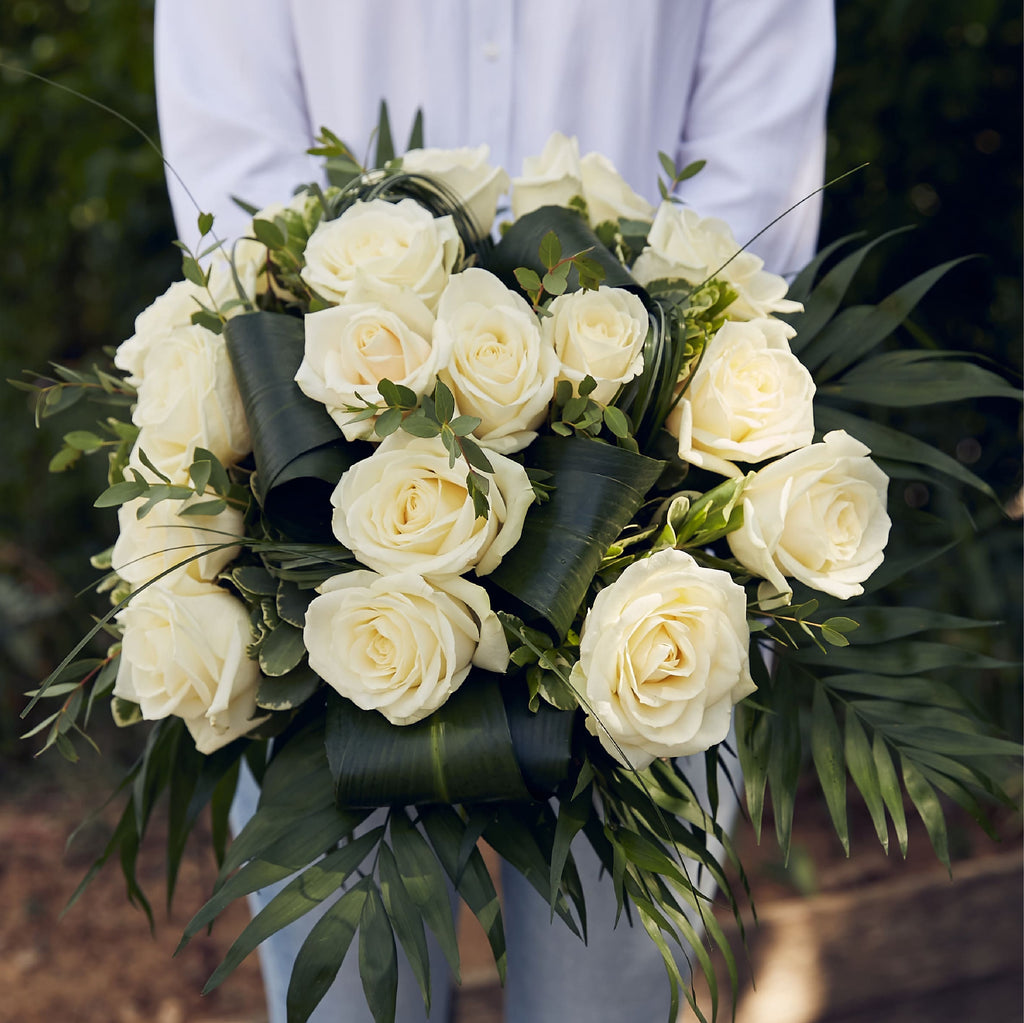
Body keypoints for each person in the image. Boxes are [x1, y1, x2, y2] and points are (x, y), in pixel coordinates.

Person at [154, 3, 835, 1021]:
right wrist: (361, 420)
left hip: (642, 517)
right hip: (321, 521)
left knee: (606, 998)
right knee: (352, 1001)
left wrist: (628, 405)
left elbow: (752, 169)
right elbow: (235, 166)